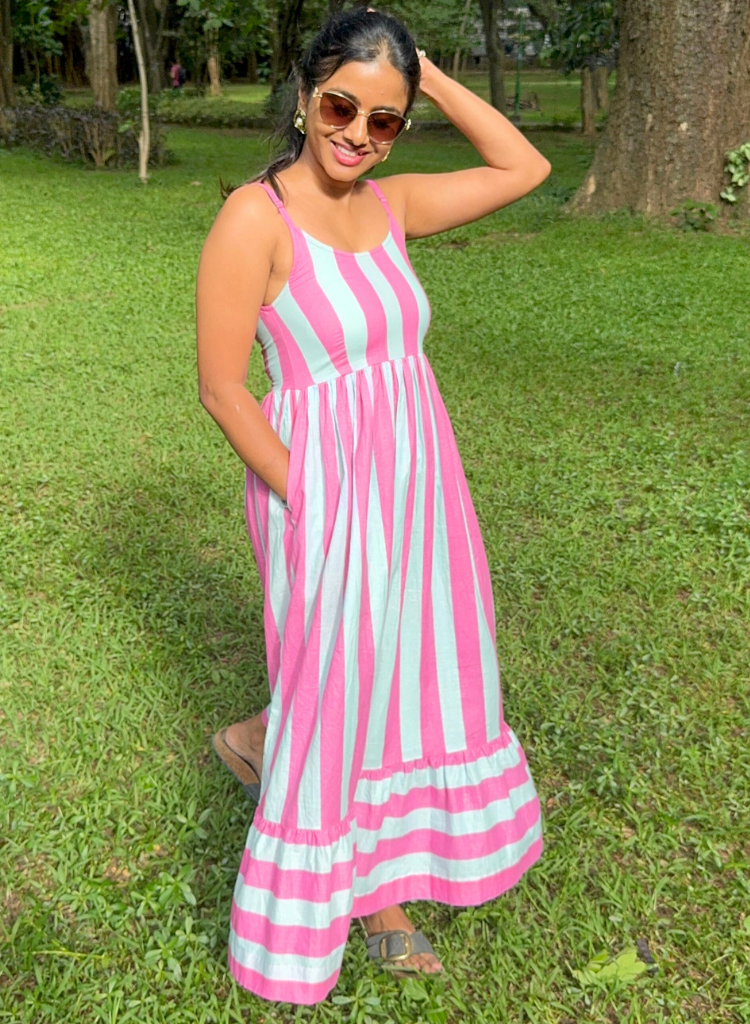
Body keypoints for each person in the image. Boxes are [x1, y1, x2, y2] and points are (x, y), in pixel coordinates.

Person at [196, 4, 551, 1006]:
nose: (357, 133)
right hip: (318, 490)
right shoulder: (254, 218)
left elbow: (524, 167)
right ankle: (369, 901)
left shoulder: (391, 209)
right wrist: (314, 499)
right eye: (340, 106)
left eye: (384, 118)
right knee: (342, 683)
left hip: (417, 484)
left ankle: (259, 742)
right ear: (306, 95)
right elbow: (223, 387)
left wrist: (426, 72)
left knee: (399, 673)